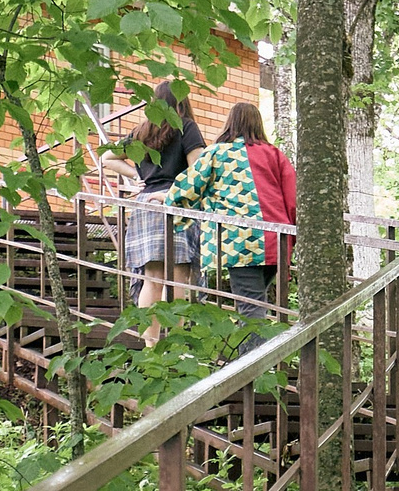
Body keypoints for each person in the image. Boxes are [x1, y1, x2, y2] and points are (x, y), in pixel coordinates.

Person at [167, 102, 296, 347]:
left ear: (230, 123)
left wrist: (168, 204)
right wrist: (292, 240)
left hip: (239, 243)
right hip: (275, 241)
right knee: (256, 303)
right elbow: (293, 198)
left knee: (250, 308)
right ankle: (250, 363)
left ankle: (250, 373)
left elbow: (186, 189)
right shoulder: (275, 154)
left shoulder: (216, 153)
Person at [118, 79, 203, 343]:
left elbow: (106, 158)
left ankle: (150, 345)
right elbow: (197, 172)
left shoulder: (141, 131)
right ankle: (176, 346)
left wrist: (136, 176)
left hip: (145, 205)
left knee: (152, 278)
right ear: (181, 100)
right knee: (178, 279)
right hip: (174, 203)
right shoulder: (186, 127)